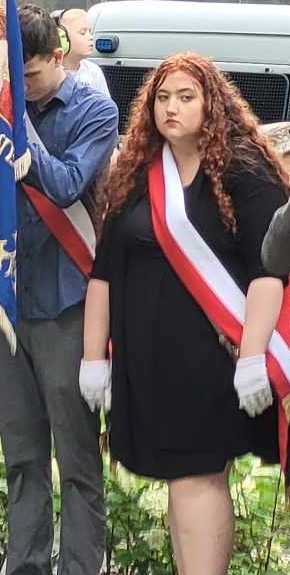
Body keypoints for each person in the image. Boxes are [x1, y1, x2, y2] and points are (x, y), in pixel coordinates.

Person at [82, 52, 289, 575]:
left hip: (212, 359)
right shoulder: (135, 175)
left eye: (185, 97)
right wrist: (93, 358)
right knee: (180, 480)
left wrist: (252, 357)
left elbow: (270, 269)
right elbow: (104, 272)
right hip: (148, 362)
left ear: (211, 103)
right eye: (162, 98)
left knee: (197, 476)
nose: (171, 108)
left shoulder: (243, 169)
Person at [0, 4, 117, 575]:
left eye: (30, 73)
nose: (22, 85)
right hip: (5, 299)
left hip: (67, 301)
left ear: (57, 56)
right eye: (13, 75)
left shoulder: (94, 111)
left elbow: (64, 183)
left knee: (79, 460)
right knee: (22, 457)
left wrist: (18, 125)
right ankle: (27, 566)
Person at [55, 9, 109, 97]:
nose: (90, 37)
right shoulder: (51, 72)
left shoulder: (94, 72)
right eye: (83, 33)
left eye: (90, 32)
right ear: (62, 38)